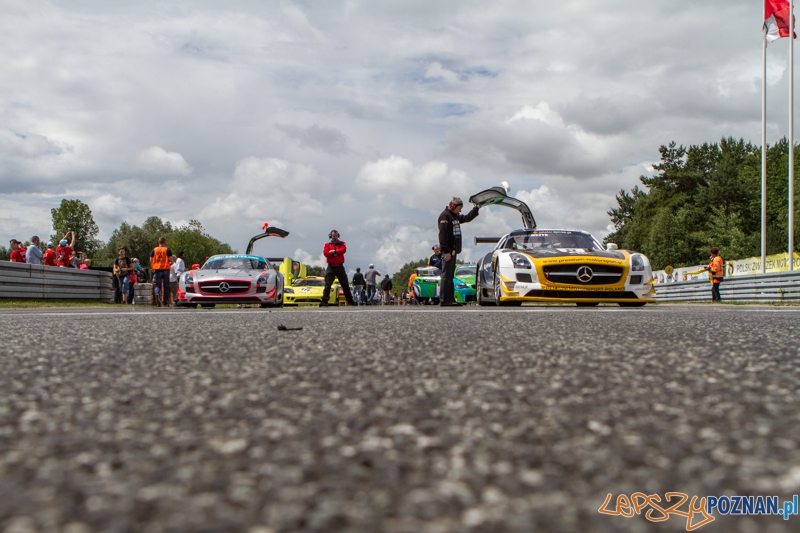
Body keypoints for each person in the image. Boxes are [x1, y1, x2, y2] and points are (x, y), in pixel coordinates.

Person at [438, 196, 479, 307]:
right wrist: (446, 251)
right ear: (453, 206)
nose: (460, 211)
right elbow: (443, 236)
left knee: (450, 276)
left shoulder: (454, 216)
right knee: (446, 276)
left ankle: (450, 299)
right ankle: (444, 299)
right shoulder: (445, 216)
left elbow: (466, 218)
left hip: (453, 251)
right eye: (459, 208)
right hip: (448, 251)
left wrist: (476, 209)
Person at [320, 230, 356, 307]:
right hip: (331, 267)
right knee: (327, 285)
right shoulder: (327, 244)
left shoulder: (342, 243)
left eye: (336, 236)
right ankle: (324, 301)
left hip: (340, 266)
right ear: (331, 236)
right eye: (333, 236)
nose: (335, 237)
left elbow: (343, 250)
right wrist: (334, 253)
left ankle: (350, 300)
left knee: (345, 284)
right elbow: (325, 253)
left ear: (338, 236)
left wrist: (333, 251)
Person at [150, 237, 173, 308]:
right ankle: (165, 302)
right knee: (166, 286)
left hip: (157, 269)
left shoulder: (154, 250)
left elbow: (150, 259)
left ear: (158, 242)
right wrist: (171, 263)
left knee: (158, 285)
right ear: (164, 242)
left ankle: (158, 295)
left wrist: (154, 265)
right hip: (166, 269)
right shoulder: (167, 249)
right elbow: (171, 259)